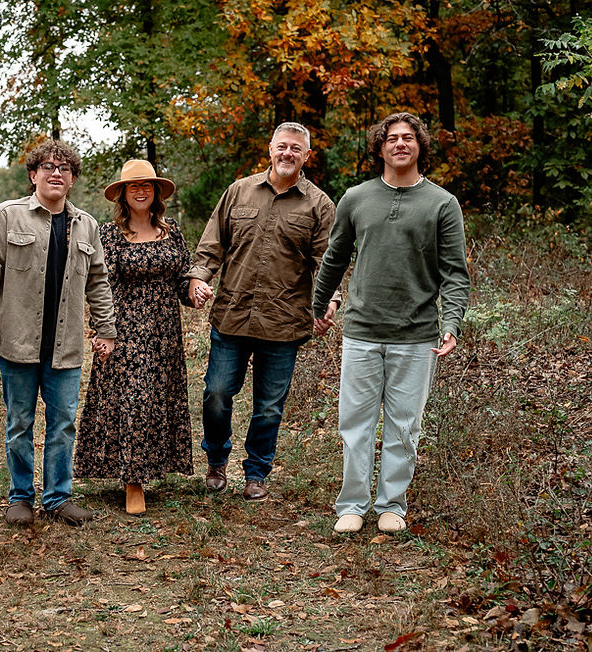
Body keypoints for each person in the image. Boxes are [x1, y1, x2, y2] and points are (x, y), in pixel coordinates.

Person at [312, 112, 470, 535]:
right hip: (362, 330)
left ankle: (391, 505)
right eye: (392, 138)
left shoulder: (442, 203)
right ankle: (352, 504)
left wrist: (451, 322)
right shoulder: (356, 197)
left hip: (416, 335)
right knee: (355, 422)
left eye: (408, 138)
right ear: (379, 147)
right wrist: (317, 305)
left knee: (404, 425)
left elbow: (455, 272)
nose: (400, 144)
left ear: (420, 146)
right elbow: (334, 256)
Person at [187, 122, 340, 502]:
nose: (287, 154)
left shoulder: (319, 204)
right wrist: (198, 278)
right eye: (281, 147)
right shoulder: (239, 191)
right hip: (233, 315)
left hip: (284, 321)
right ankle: (217, 462)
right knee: (217, 394)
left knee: (269, 406)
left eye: (296, 149)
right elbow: (212, 246)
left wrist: (330, 302)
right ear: (270, 150)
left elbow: (328, 262)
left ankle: (256, 472)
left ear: (306, 156)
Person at [0, 139, 117, 527]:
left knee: (63, 423)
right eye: (48, 166)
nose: (56, 172)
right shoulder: (7, 216)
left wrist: (107, 328)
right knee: (19, 422)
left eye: (65, 168)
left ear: (71, 179)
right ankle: (20, 497)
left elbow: (98, 282)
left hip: (65, 347)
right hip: (18, 343)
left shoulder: (86, 225)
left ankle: (57, 498)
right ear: (33, 174)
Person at [74, 160, 195, 516]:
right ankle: (132, 480)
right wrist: (102, 330)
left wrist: (195, 292)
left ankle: (152, 467)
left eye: (147, 185)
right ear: (123, 194)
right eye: (133, 186)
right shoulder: (109, 235)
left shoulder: (171, 230)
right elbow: (99, 286)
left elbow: (182, 280)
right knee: (132, 402)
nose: (141, 190)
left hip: (164, 332)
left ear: (156, 192)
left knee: (157, 398)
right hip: (124, 330)